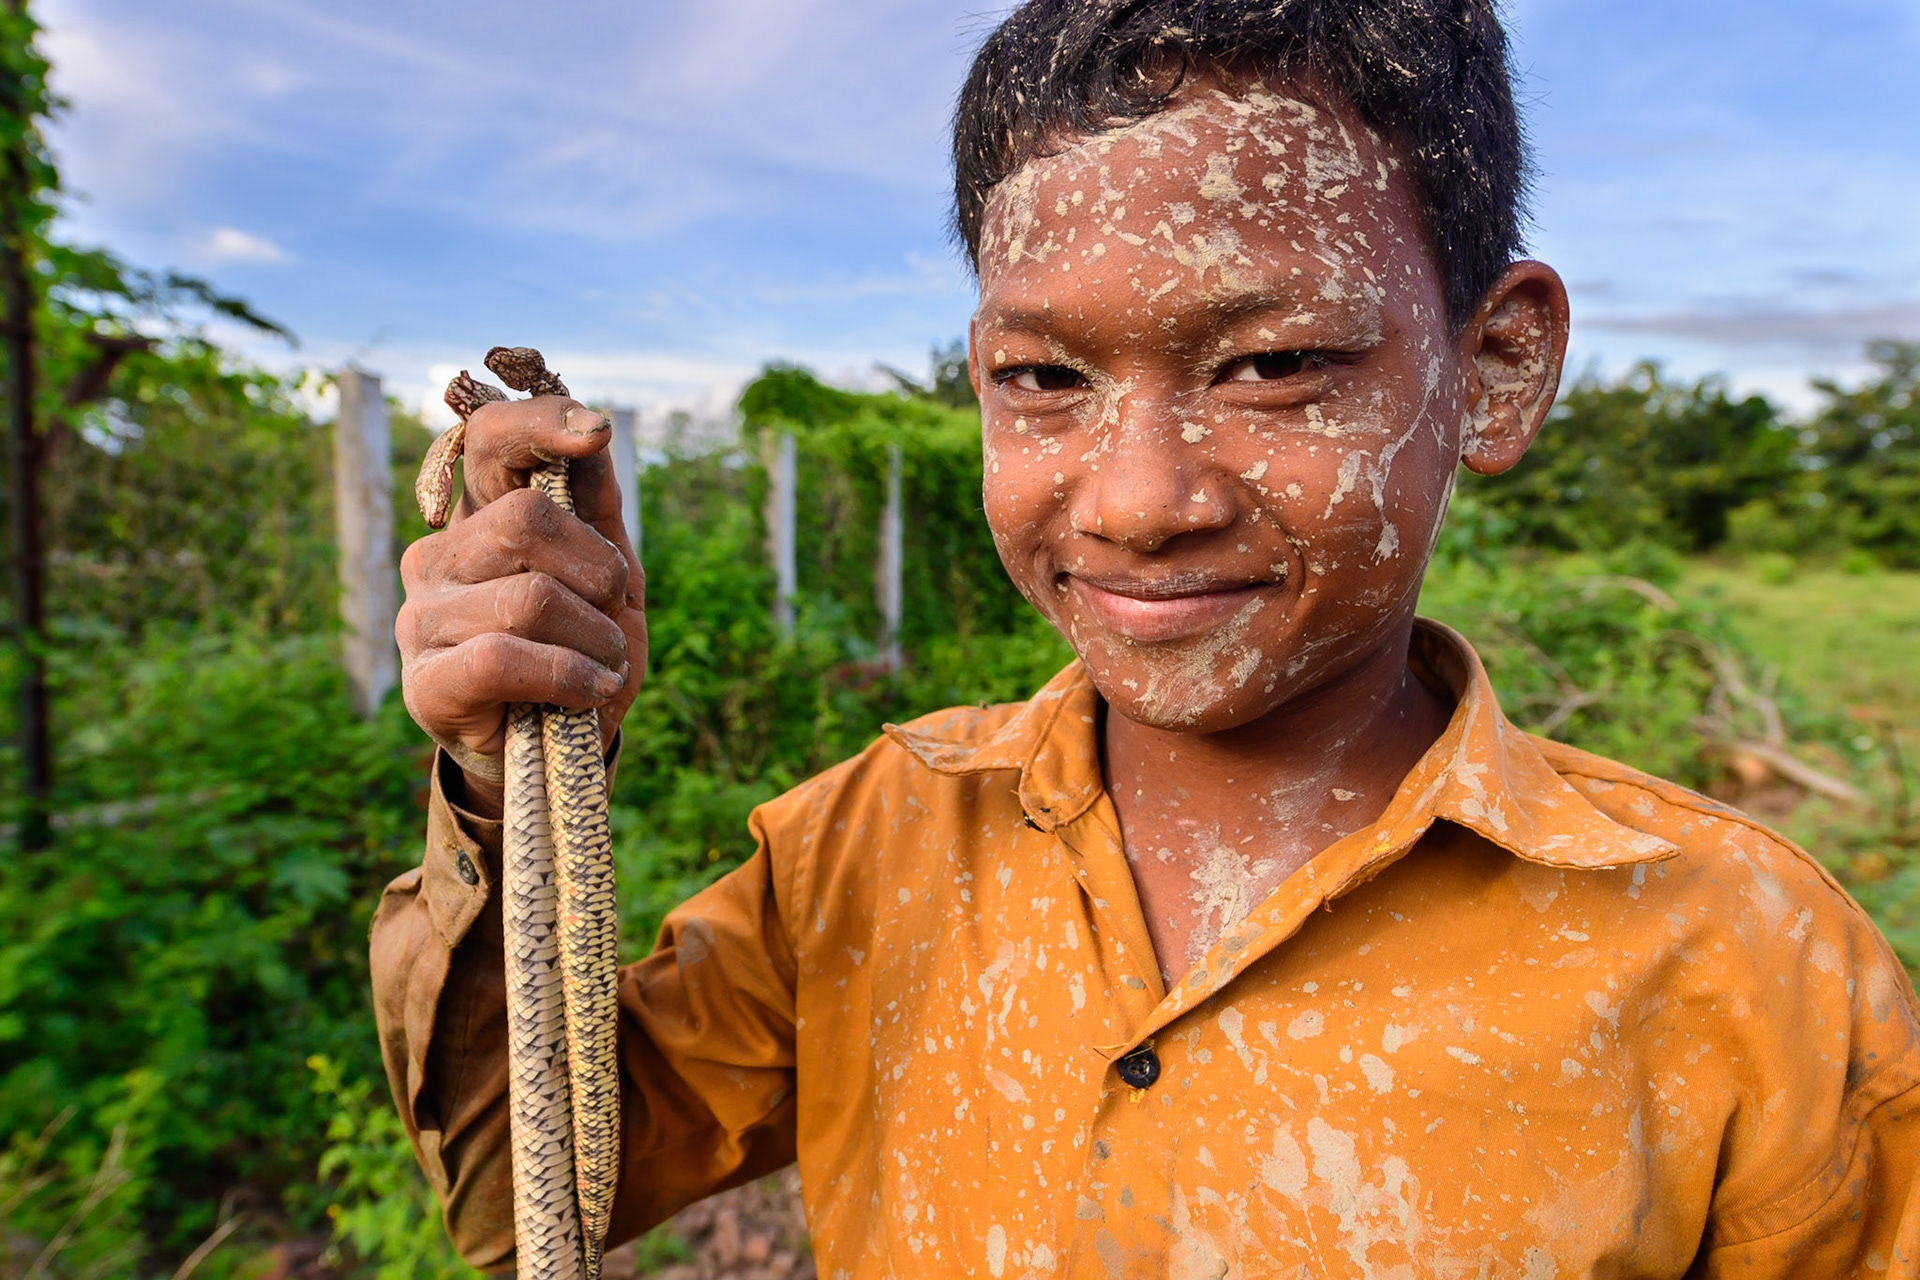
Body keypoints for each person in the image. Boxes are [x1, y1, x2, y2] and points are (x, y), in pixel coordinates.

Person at [372, 1, 1920, 1274]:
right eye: (1043, 380)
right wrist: (512, 772)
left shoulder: (1747, 962)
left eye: (1275, 362)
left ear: (1495, 368)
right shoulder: (864, 848)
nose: (1136, 502)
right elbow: (528, 1206)